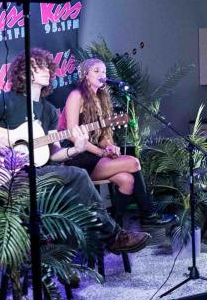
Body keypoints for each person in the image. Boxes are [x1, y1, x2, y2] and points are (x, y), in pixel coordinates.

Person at [0, 49, 148, 255]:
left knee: (72, 188)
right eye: (38, 67)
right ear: (23, 73)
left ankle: (64, 259)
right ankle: (114, 237)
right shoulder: (7, 100)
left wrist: (75, 149)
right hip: (8, 176)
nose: (46, 70)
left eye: (47, 66)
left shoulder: (48, 110)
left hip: (36, 173)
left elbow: (53, 153)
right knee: (78, 175)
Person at [61, 58, 175, 227]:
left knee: (126, 180)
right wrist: (101, 152)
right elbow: (72, 134)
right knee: (133, 162)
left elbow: (102, 136)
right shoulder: (76, 96)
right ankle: (149, 215)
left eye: (104, 72)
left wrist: (109, 146)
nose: (102, 75)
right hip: (76, 157)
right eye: (96, 71)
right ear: (85, 75)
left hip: (94, 156)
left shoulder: (101, 99)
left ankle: (114, 228)